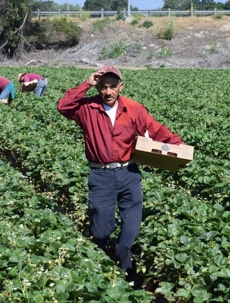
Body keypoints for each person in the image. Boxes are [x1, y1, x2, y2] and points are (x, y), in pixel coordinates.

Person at [57, 66, 186, 275]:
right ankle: (100, 264)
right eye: (103, 87)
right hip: (101, 176)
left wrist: (179, 149)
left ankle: (126, 270)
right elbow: (63, 106)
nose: (108, 92)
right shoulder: (87, 109)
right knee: (100, 230)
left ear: (121, 87)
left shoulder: (134, 109)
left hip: (129, 174)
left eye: (113, 86)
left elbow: (156, 129)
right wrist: (86, 84)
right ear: (98, 88)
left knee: (131, 229)